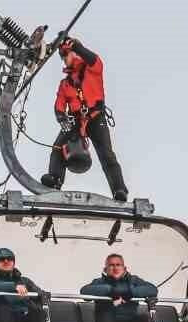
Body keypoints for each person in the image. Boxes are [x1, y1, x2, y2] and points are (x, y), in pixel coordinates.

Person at [41, 36, 128, 202]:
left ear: (74, 54)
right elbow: (60, 103)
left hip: (95, 117)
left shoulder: (92, 70)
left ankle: (119, 190)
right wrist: (61, 116)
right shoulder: (65, 83)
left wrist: (77, 46)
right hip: (76, 120)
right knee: (58, 147)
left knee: (107, 155)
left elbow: (95, 60)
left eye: (65, 55)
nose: (64, 60)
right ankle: (55, 180)